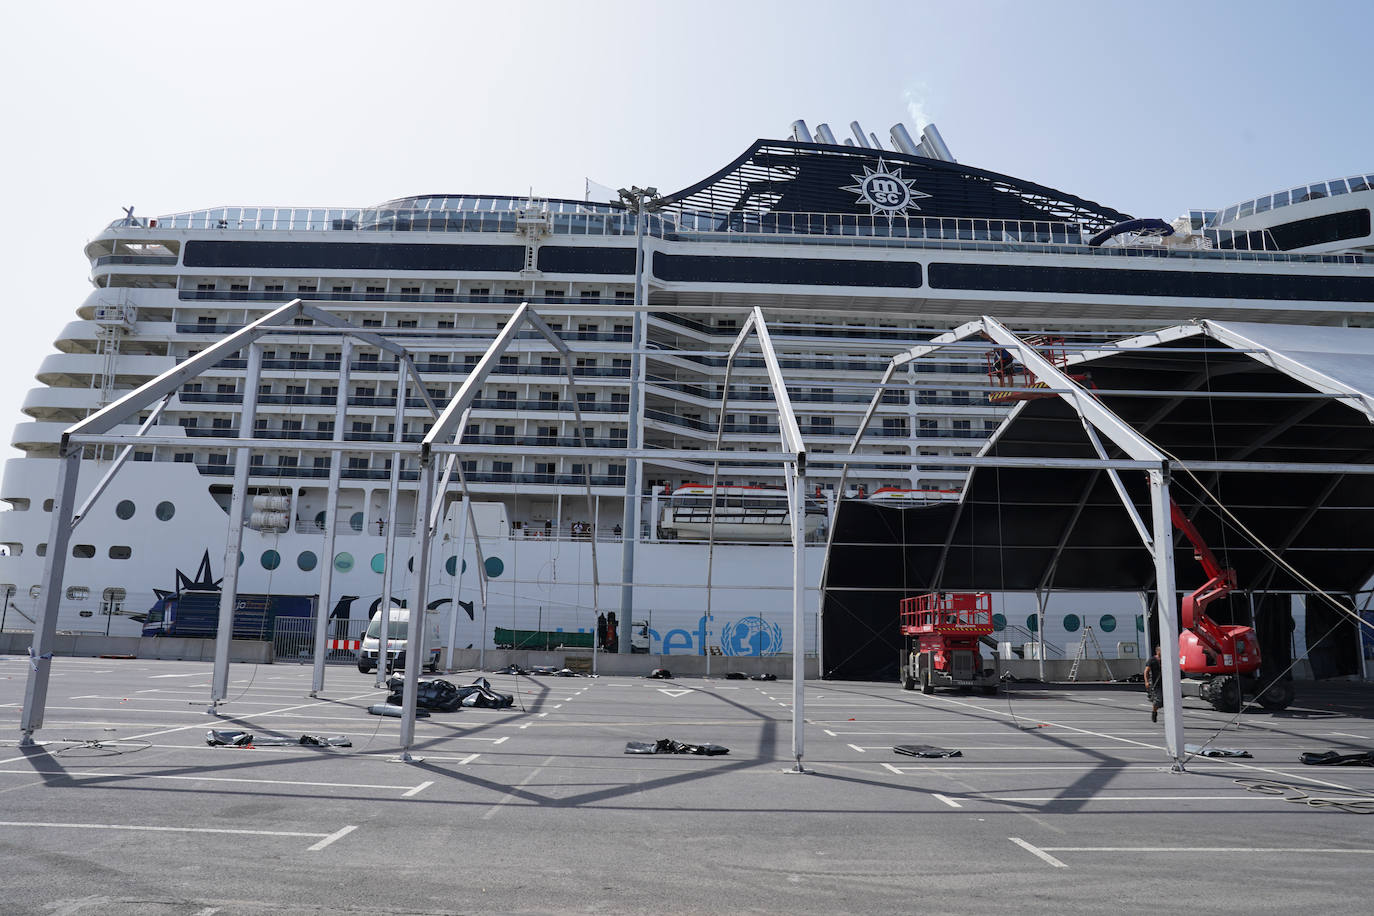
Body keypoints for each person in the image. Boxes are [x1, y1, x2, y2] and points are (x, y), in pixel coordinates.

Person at [1144, 645, 1163, 723]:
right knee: (1158, 700)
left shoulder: (1166, 659)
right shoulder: (1152, 660)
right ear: (1157, 651)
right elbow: (1146, 671)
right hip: (1156, 683)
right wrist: (1146, 681)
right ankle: (1154, 712)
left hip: (1165, 682)